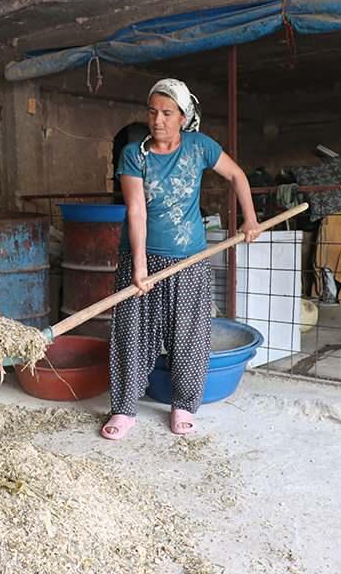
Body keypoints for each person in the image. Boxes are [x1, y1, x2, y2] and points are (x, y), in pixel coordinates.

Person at [101, 78, 260, 440]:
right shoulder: (133, 155)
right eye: (152, 112)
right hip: (140, 258)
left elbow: (236, 174)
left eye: (167, 113)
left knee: (188, 334)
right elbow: (136, 210)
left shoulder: (199, 147)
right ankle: (125, 409)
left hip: (188, 258)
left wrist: (249, 218)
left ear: (184, 117)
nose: (158, 120)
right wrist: (139, 267)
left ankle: (184, 405)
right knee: (133, 332)